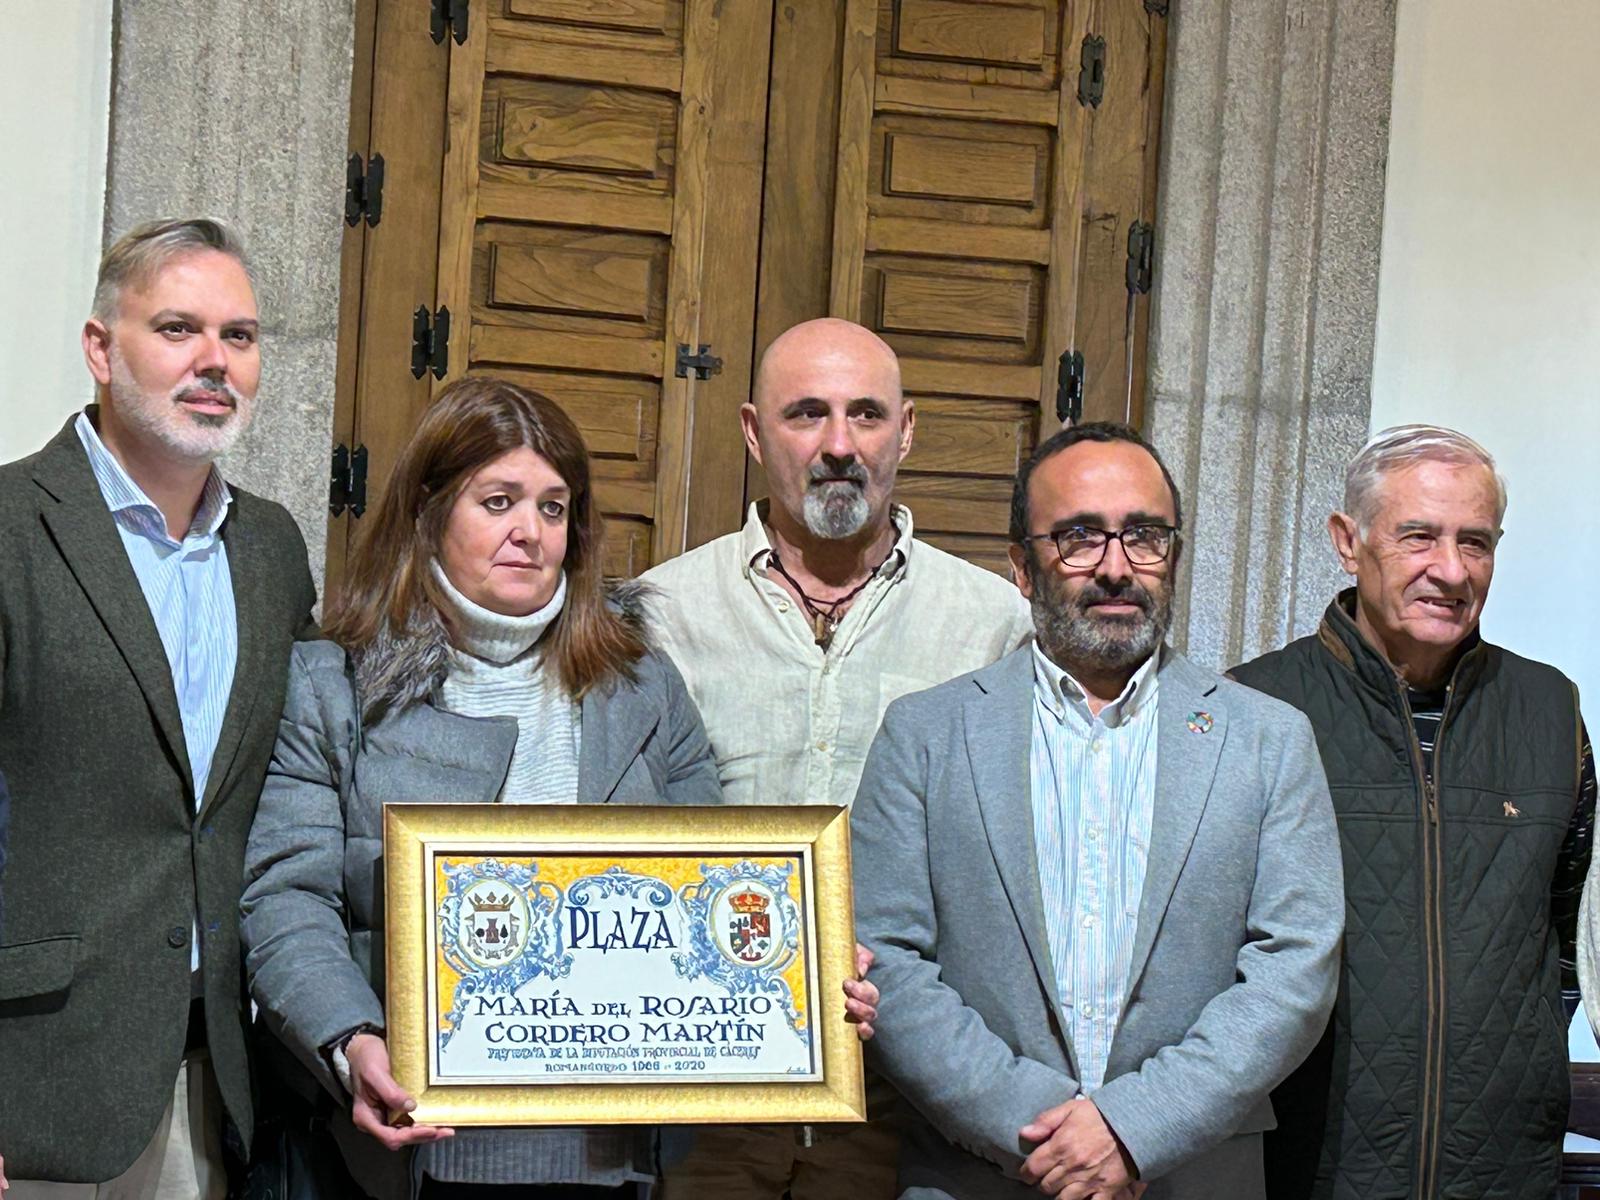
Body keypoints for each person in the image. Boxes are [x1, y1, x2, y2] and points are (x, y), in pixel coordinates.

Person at [238, 377, 877, 1199]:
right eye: (497, 500)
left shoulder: (642, 685)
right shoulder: (330, 685)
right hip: (403, 1159)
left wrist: (809, 967)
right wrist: (351, 1041)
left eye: (551, 507)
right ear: (429, 512)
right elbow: (286, 902)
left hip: (606, 1156)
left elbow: (715, 889)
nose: (528, 533)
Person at [852, 422, 1345, 1199]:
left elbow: (1296, 969)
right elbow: (885, 959)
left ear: (1173, 555)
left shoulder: (1268, 741)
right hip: (978, 1172)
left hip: (1190, 1173)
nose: (1116, 568)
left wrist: (1133, 1130)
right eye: (1079, 537)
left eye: (1144, 537)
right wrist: (1046, 1129)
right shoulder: (926, 735)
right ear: (1021, 566)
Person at [641, 318, 1033, 1197]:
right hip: (704, 1095)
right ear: (751, 432)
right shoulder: (661, 613)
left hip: (901, 1101)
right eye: (805, 415)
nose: (837, 446)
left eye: (865, 415)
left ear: (907, 431)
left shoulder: (993, 626)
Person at [0, 219, 318, 1196]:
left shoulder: (271, 549)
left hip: (215, 1078)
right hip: (34, 1086)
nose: (214, 361)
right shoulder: (11, 529)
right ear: (101, 348)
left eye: (241, 336)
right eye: (178, 328)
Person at [1231, 424, 1595, 1200]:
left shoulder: (1548, 709)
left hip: (1502, 1164)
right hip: (1306, 1158)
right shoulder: (1255, 706)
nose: (1451, 570)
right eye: (1419, 537)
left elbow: (1567, 928)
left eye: (1477, 542)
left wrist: (1519, 1052)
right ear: (1346, 541)